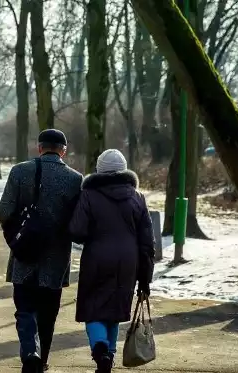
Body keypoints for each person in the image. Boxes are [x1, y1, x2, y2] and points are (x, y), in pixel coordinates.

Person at [0, 129, 83, 373]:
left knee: (24, 308)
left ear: (39, 147)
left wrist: (17, 235)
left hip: (24, 253)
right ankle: (42, 358)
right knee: (48, 313)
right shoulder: (76, 179)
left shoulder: (19, 171)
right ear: (63, 150)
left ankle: (29, 352)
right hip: (55, 258)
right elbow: (78, 224)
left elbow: (4, 211)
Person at [68, 149, 155, 373]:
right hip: (128, 262)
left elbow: (76, 231)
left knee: (93, 309)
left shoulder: (89, 195)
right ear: (124, 169)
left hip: (97, 259)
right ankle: (110, 356)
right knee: (115, 311)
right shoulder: (137, 198)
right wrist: (145, 279)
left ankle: (100, 350)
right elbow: (147, 243)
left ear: (99, 170)